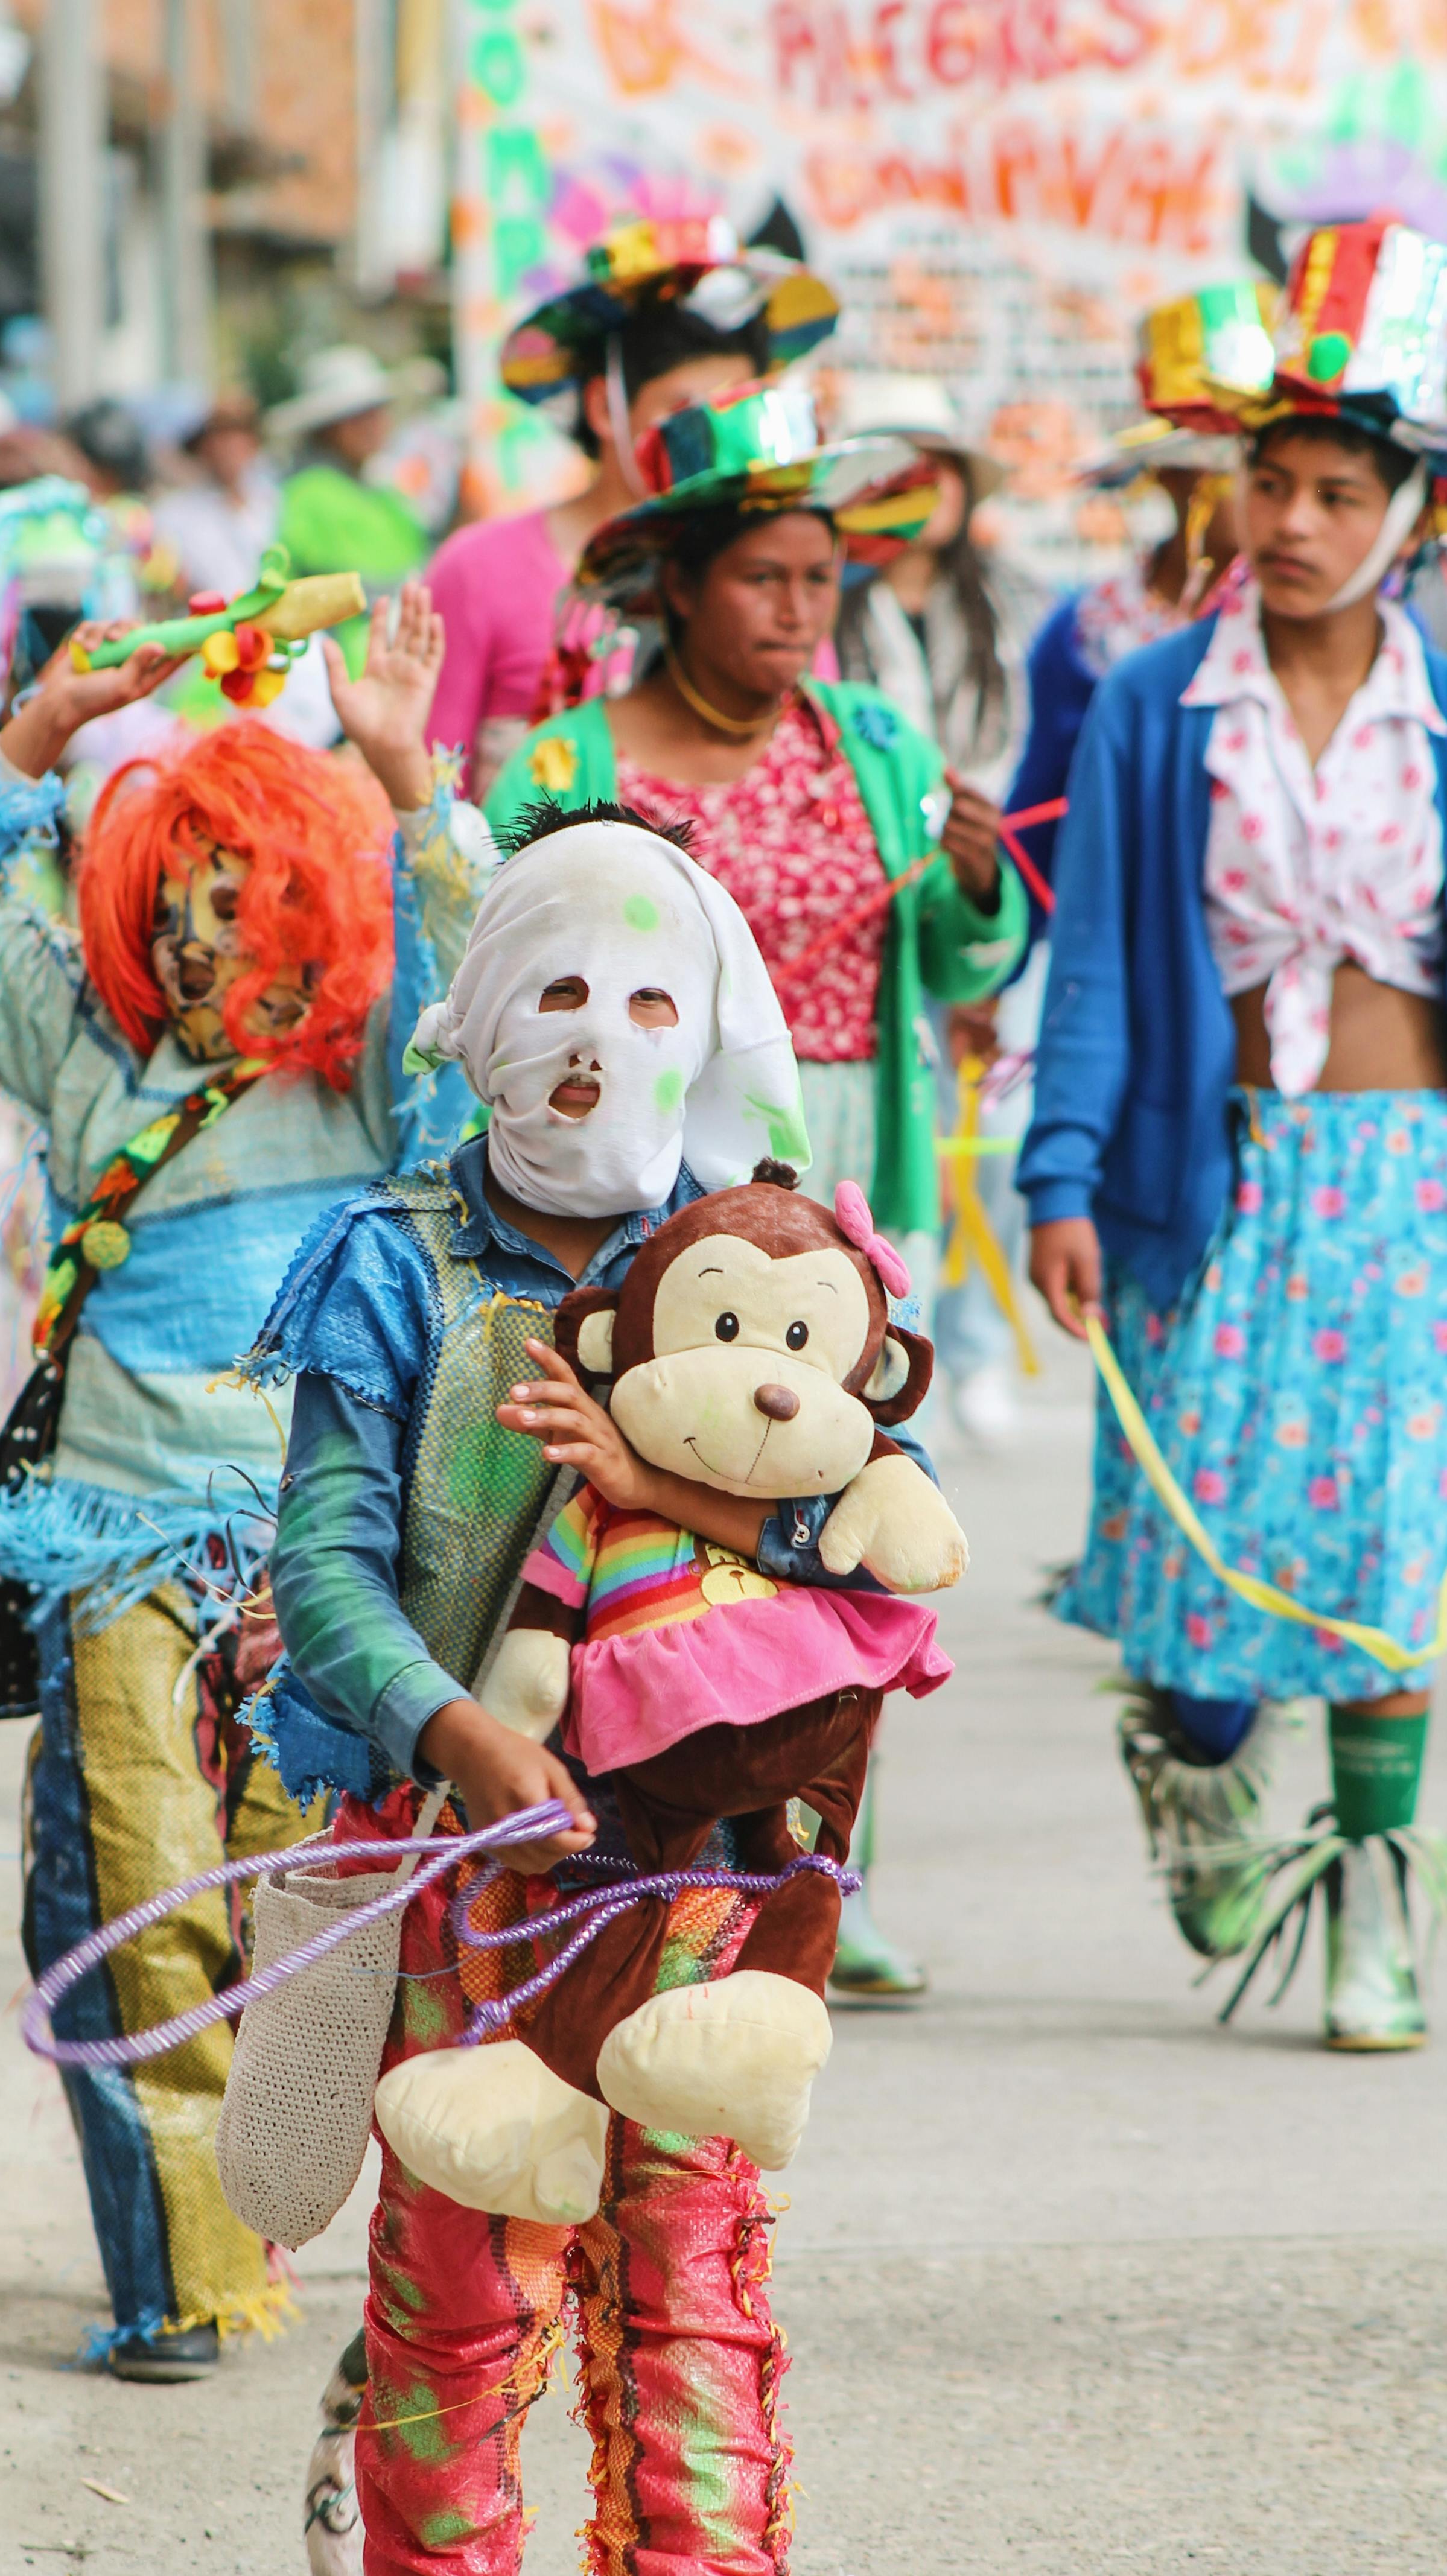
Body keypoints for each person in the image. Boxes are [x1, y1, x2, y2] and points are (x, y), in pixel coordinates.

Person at [250, 800, 917, 2572]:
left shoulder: (756, 1264)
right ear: (480, 1014)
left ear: (702, 1028)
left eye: (646, 1002)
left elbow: (868, 1534)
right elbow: (323, 1567)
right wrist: (459, 1732)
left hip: (700, 1879)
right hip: (456, 1872)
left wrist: (658, 1489)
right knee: (454, 2306)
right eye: (553, 990)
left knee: (690, 2297)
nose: (595, 1041)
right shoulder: (392, 1261)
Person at [0, 559, 488, 2376]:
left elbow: (476, 1004)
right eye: (182, 912)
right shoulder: (89, 1056)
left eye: (251, 907)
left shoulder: (370, 1077)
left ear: (313, 910)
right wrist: (48, 724)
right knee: (128, 1896)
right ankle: (180, 2276)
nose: (213, 950)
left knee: (307, 1915)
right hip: (116, 1544)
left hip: (317, 1555)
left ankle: (283, 2214)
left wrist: (406, 776)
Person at [479, 376, 1029, 2000]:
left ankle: (817, 1866)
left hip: (847, 1190)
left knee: (837, 1518)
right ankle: (625, 1847)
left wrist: (977, 889)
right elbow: (507, 963)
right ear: (674, 585)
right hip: (656, 1201)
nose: (798, 609)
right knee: (640, 1515)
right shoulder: (569, 757)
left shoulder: (873, 743)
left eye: (819, 578)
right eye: (760, 578)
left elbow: (955, 959)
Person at [1020, 217, 1447, 2051]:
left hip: (1409, 1185)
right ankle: (1194, 1774)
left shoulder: (1438, 708)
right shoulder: (1149, 705)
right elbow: (1098, 963)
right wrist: (1059, 1174)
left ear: (1408, 510)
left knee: (1386, 1557)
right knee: (1196, 1570)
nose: (1287, 521)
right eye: (1267, 482)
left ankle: (1369, 1911)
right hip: (1211, 1180)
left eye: (1334, 491)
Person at [427, 217, 841, 796]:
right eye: (686, 412)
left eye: (735, 409)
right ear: (604, 408)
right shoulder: (478, 571)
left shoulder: (773, 577)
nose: (717, 440)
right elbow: (428, 791)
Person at [830, 372, 1051, 1447]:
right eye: (896, 468)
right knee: (887, 1141)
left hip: (999, 909)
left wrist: (991, 926)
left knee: (998, 1132)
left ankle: (971, 1348)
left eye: (937, 467)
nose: (921, 489)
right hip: (871, 924)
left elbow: (1036, 771)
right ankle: (881, 1344)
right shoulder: (823, 607)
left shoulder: (1014, 605)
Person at [1005, 282, 1267, 897]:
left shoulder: (1322, 624)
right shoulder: (1087, 630)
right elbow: (1040, 809)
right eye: (1226, 469)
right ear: (1170, 475)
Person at [275, 347, 428, 674]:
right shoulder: (309, 493)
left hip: (391, 657)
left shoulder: (384, 494)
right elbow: (345, 588)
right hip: (340, 668)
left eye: (377, 412)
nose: (374, 425)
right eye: (359, 416)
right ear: (329, 428)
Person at [152, 392, 281, 603]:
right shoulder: (174, 515)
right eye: (219, 437)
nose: (228, 447)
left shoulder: (275, 503)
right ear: (203, 447)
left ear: (253, 443)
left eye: (238, 435)